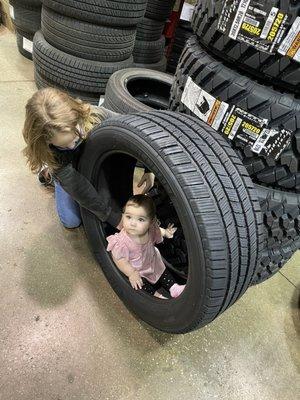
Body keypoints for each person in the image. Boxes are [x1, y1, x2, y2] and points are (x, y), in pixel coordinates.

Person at [22, 87, 155, 229]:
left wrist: (149, 169)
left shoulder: (96, 116)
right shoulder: (51, 153)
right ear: (47, 142)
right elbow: (82, 190)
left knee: (110, 194)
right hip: (67, 168)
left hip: (90, 158)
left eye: (74, 139)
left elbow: (135, 133)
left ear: (77, 116)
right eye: (64, 145)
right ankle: (54, 177)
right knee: (71, 221)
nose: (72, 146)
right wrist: (114, 219)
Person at [106, 194, 186, 299]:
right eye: (128, 217)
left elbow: (158, 231)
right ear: (123, 214)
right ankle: (156, 297)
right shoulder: (122, 242)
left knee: (162, 271)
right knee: (139, 283)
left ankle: (174, 288)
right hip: (136, 268)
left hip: (151, 260)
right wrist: (131, 273)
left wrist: (166, 233)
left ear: (151, 222)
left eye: (140, 219)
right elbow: (119, 259)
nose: (133, 223)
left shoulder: (151, 228)